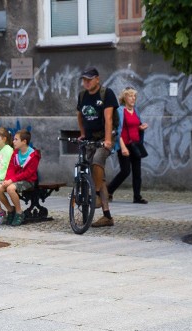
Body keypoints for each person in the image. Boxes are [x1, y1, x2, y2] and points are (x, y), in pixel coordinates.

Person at [76, 67, 118, 228]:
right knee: (91, 170)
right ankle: (107, 216)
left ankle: (96, 194)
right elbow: (80, 115)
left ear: (97, 79)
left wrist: (107, 140)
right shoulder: (82, 96)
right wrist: (82, 134)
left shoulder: (106, 94)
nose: (86, 82)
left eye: (89, 79)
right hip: (89, 138)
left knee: (98, 160)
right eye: (84, 80)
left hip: (105, 138)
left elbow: (108, 119)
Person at [106, 87, 149, 204]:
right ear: (125, 98)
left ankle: (137, 197)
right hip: (124, 144)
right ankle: (108, 190)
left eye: (134, 96)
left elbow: (136, 125)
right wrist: (123, 147)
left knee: (137, 172)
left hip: (136, 144)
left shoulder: (136, 110)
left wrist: (141, 127)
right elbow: (117, 130)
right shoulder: (120, 111)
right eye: (130, 96)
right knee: (125, 171)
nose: (133, 98)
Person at [0, 129, 41, 227]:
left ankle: (19, 213)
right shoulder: (15, 153)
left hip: (28, 181)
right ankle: (11, 210)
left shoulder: (33, 155)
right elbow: (10, 168)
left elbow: (28, 173)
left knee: (10, 188)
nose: (13, 141)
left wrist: (11, 181)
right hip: (15, 180)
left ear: (24, 142)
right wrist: (7, 180)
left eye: (16, 139)